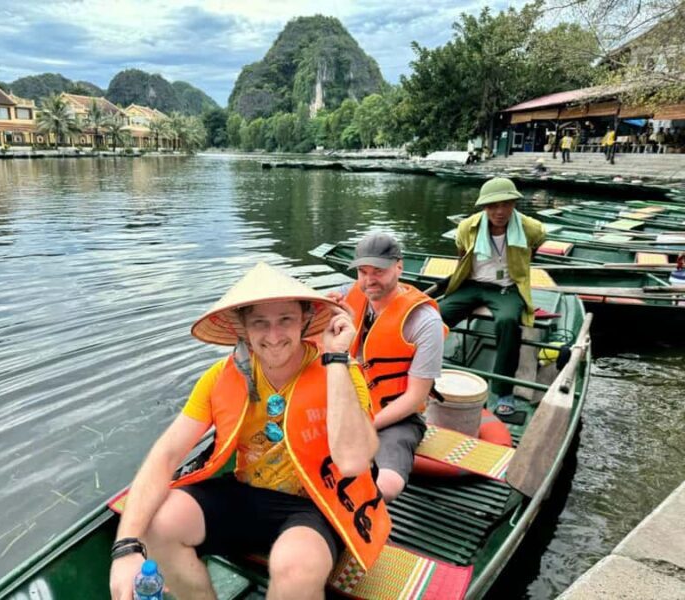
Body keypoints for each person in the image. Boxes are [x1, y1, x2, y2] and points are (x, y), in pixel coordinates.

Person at [109, 262, 389, 600]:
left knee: (295, 570)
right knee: (157, 526)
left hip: (315, 502)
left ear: (303, 319)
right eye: (260, 323)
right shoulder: (220, 377)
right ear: (243, 328)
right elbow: (165, 455)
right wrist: (126, 548)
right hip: (246, 491)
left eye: (285, 319)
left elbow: (354, 460)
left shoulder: (340, 371)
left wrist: (335, 359)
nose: (273, 336)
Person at [327, 234, 446, 502]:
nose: (369, 280)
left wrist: (364, 425)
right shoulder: (351, 296)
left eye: (378, 271)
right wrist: (327, 312)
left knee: (388, 485)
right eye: (362, 271)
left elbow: (415, 397)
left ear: (399, 267)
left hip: (396, 416)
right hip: (348, 401)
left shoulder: (424, 322)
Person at [438, 178, 546, 417]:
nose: (500, 211)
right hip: (472, 285)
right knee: (434, 316)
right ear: (484, 207)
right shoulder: (468, 227)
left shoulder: (530, 228)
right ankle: (425, 373)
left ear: (514, 204)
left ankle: (503, 390)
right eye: (493, 206)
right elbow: (462, 254)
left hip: (505, 288)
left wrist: (519, 267)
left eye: (506, 205)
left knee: (508, 322)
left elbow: (537, 244)